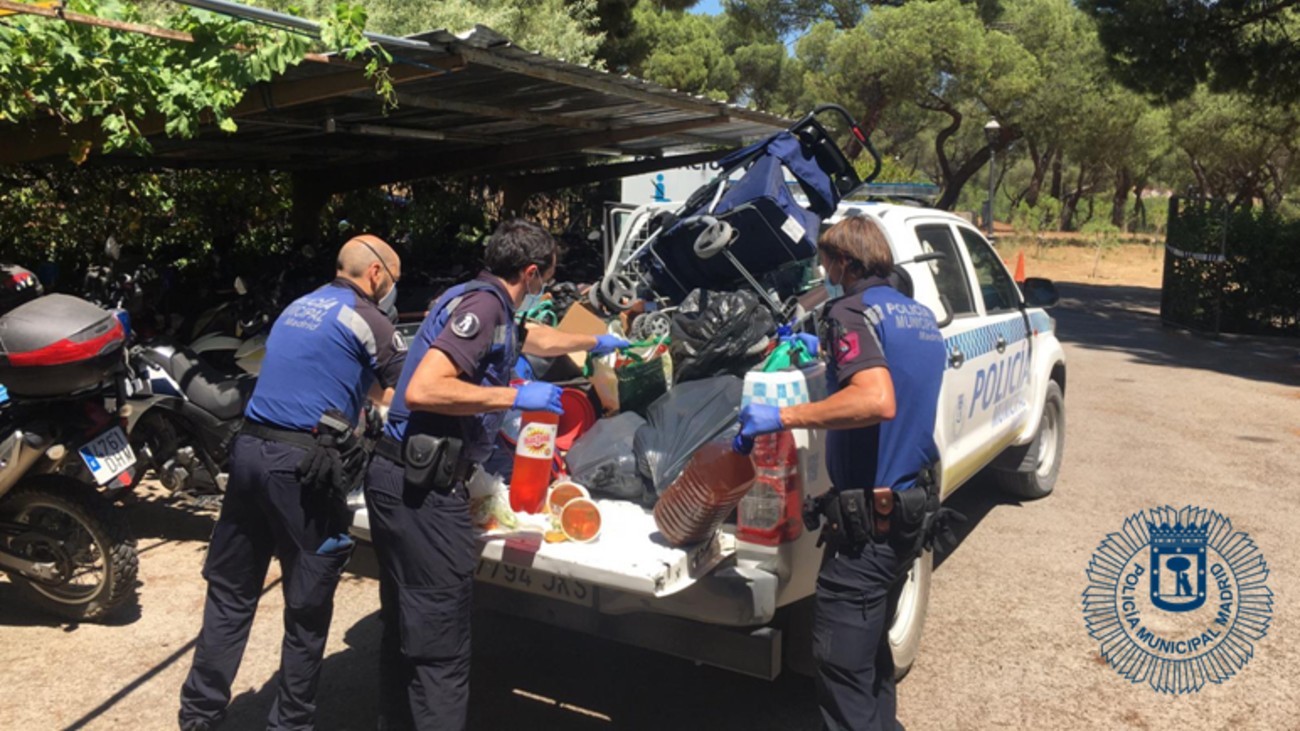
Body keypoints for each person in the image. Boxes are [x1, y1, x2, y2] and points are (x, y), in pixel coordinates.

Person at [364, 218, 628, 731]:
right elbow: (423, 388)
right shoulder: (484, 308)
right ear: (530, 273)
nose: (545, 289)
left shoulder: (482, 300)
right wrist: (514, 396)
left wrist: (598, 342)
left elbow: (536, 338)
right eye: (545, 280)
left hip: (399, 476)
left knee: (405, 630)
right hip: (423, 486)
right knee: (441, 647)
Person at [179, 235, 406, 731]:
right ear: (376, 276)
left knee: (232, 592)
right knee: (306, 609)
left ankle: (198, 716)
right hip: (302, 466)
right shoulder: (370, 319)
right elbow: (408, 389)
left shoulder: (299, 307)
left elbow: (340, 372)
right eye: (393, 280)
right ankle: (290, 724)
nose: (392, 291)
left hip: (249, 452)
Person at [736, 215, 947, 731]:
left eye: (827, 261)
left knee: (841, 669)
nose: (823, 271)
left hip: (866, 531)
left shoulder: (849, 311)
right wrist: (830, 360)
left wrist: (782, 415)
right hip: (908, 517)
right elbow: (892, 374)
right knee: (872, 656)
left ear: (846, 264)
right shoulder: (915, 315)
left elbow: (876, 398)